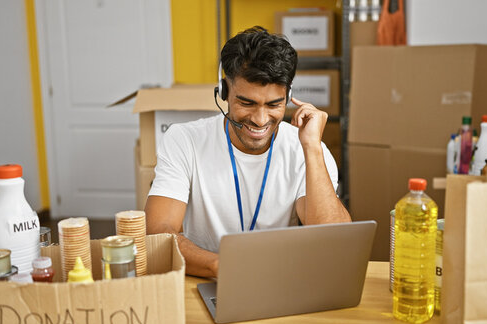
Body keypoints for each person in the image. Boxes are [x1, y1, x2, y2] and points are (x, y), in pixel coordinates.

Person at [145, 26, 351, 278]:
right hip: (207, 278)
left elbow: (335, 242)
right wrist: (222, 267)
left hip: (282, 281)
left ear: (289, 96)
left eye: (274, 104)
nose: (260, 119)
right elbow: (158, 232)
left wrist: (312, 148)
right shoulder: (184, 140)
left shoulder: (308, 149)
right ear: (224, 92)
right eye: (247, 103)